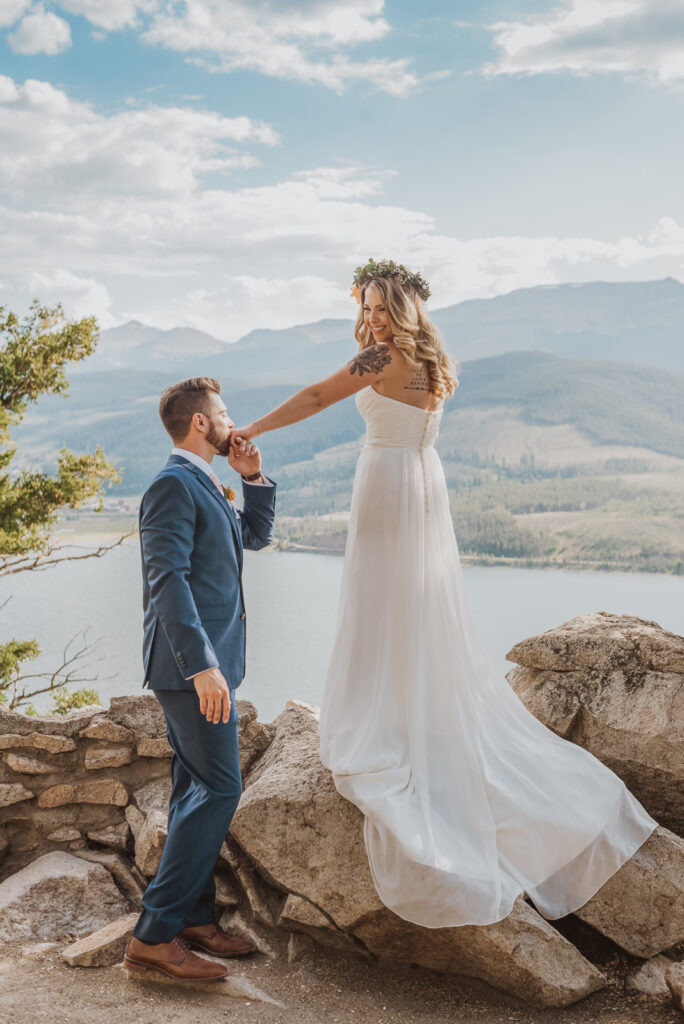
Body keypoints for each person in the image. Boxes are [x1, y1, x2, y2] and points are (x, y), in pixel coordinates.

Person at [230, 258, 658, 929]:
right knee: (413, 607)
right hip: (421, 487)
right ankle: (408, 712)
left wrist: (251, 430)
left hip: (389, 485)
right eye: (365, 307)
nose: (369, 319)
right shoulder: (434, 361)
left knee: (379, 604)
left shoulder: (379, 359)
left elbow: (316, 397)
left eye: (379, 307)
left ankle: (382, 723)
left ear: (400, 309)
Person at [124, 377, 276, 981]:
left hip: (209, 667)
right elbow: (168, 582)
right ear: (199, 424)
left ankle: (193, 916)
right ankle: (154, 937)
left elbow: (253, 539)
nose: (231, 420)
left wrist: (253, 480)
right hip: (191, 670)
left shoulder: (205, 481)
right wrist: (203, 666)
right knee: (219, 788)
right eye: (223, 412)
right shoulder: (171, 485)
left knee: (195, 790)